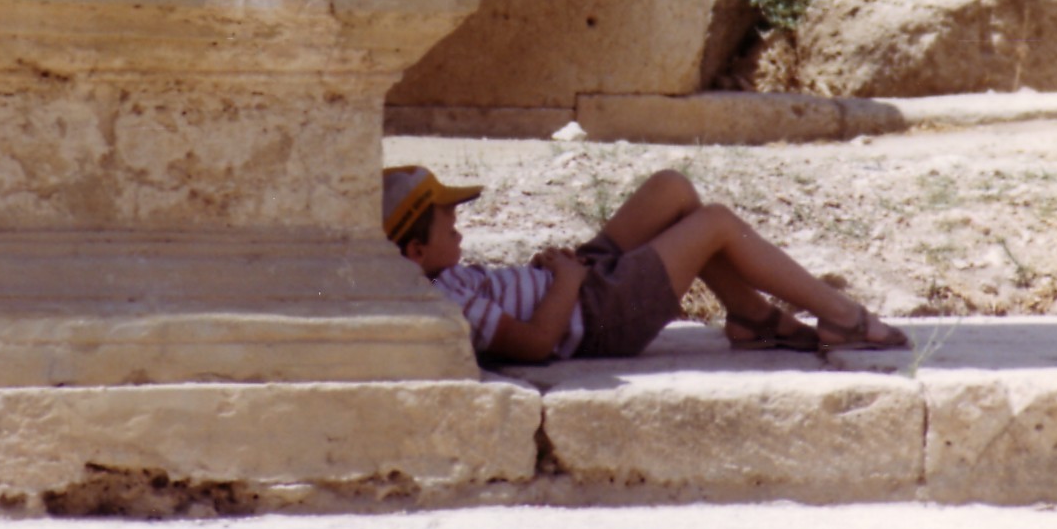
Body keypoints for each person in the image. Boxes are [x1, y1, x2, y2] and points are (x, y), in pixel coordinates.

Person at [382, 164, 909, 364]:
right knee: (715, 224)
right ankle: (840, 316)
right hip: (597, 317)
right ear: (415, 252)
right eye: (446, 222)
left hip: (576, 288)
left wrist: (548, 272)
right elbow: (538, 345)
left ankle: (750, 317)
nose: (459, 225)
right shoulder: (442, 303)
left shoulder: (435, 275)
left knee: (671, 189)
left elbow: (511, 298)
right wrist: (564, 282)